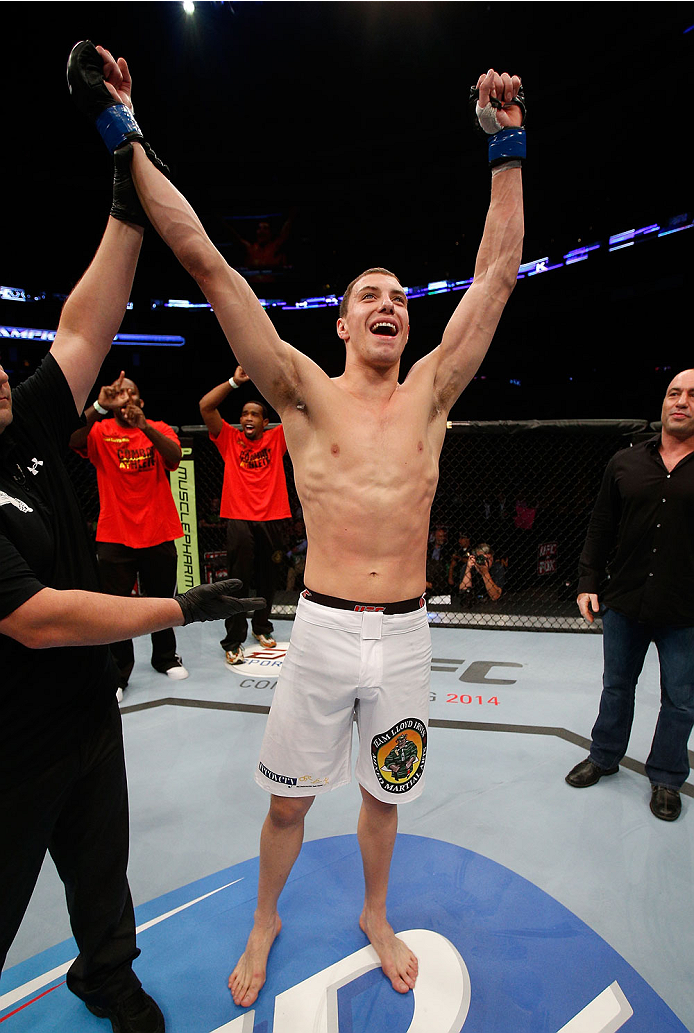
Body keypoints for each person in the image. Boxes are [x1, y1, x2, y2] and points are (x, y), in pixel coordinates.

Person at [96, 50, 524, 1005]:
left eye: (401, 296)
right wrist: (125, 134)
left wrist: (507, 150)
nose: (390, 303)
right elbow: (206, 260)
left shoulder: (432, 395)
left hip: (410, 632)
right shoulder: (299, 394)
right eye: (369, 295)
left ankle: (376, 911)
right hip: (324, 628)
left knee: (386, 793)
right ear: (337, 324)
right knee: (290, 799)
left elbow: (495, 278)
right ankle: (265, 914)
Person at [0, 42, 263, 1033]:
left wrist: (123, 179)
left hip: (81, 707)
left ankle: (105, 971)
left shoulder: (23, 419)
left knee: (101, 864)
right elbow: (34, 617)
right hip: (9, 734)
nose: (2, 376)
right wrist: (183, 608)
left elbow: (85, 327)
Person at [566, 369, 694, 823]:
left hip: (685, 609)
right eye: (673, 392)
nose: (681, 401)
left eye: (692, 395)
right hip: (625, 600)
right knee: (617, 687)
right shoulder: (625, 461)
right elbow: (600, 526)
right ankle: (603, 757)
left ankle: (666, 777)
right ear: (662, 403)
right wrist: (587, 581)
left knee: (680, 699)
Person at [70, 373, 189, 696]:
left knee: (162, 601)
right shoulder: (100, 431)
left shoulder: (159, 428)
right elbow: (71, 439)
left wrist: (144, 426)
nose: (125, 400)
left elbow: (174, 457)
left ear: (140, 402)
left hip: (159, 530)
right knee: (114, 608)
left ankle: (164, 657)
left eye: (130, 394)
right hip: (115, 533)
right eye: (118, 396)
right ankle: (119, 673)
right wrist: (97, 405)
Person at [199, 366, 291, 663]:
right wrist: (233, 382)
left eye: (254, 414)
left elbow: (296, 409)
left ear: (266, 422)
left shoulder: (277, 439)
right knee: (237, 582)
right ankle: (233, 640)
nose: (248, 418)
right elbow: (206, 406)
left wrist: (271, 381)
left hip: (273, 518)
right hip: (239, 518)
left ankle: (261, 626)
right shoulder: (229, 438)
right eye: (244, 414)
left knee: (268, 578)